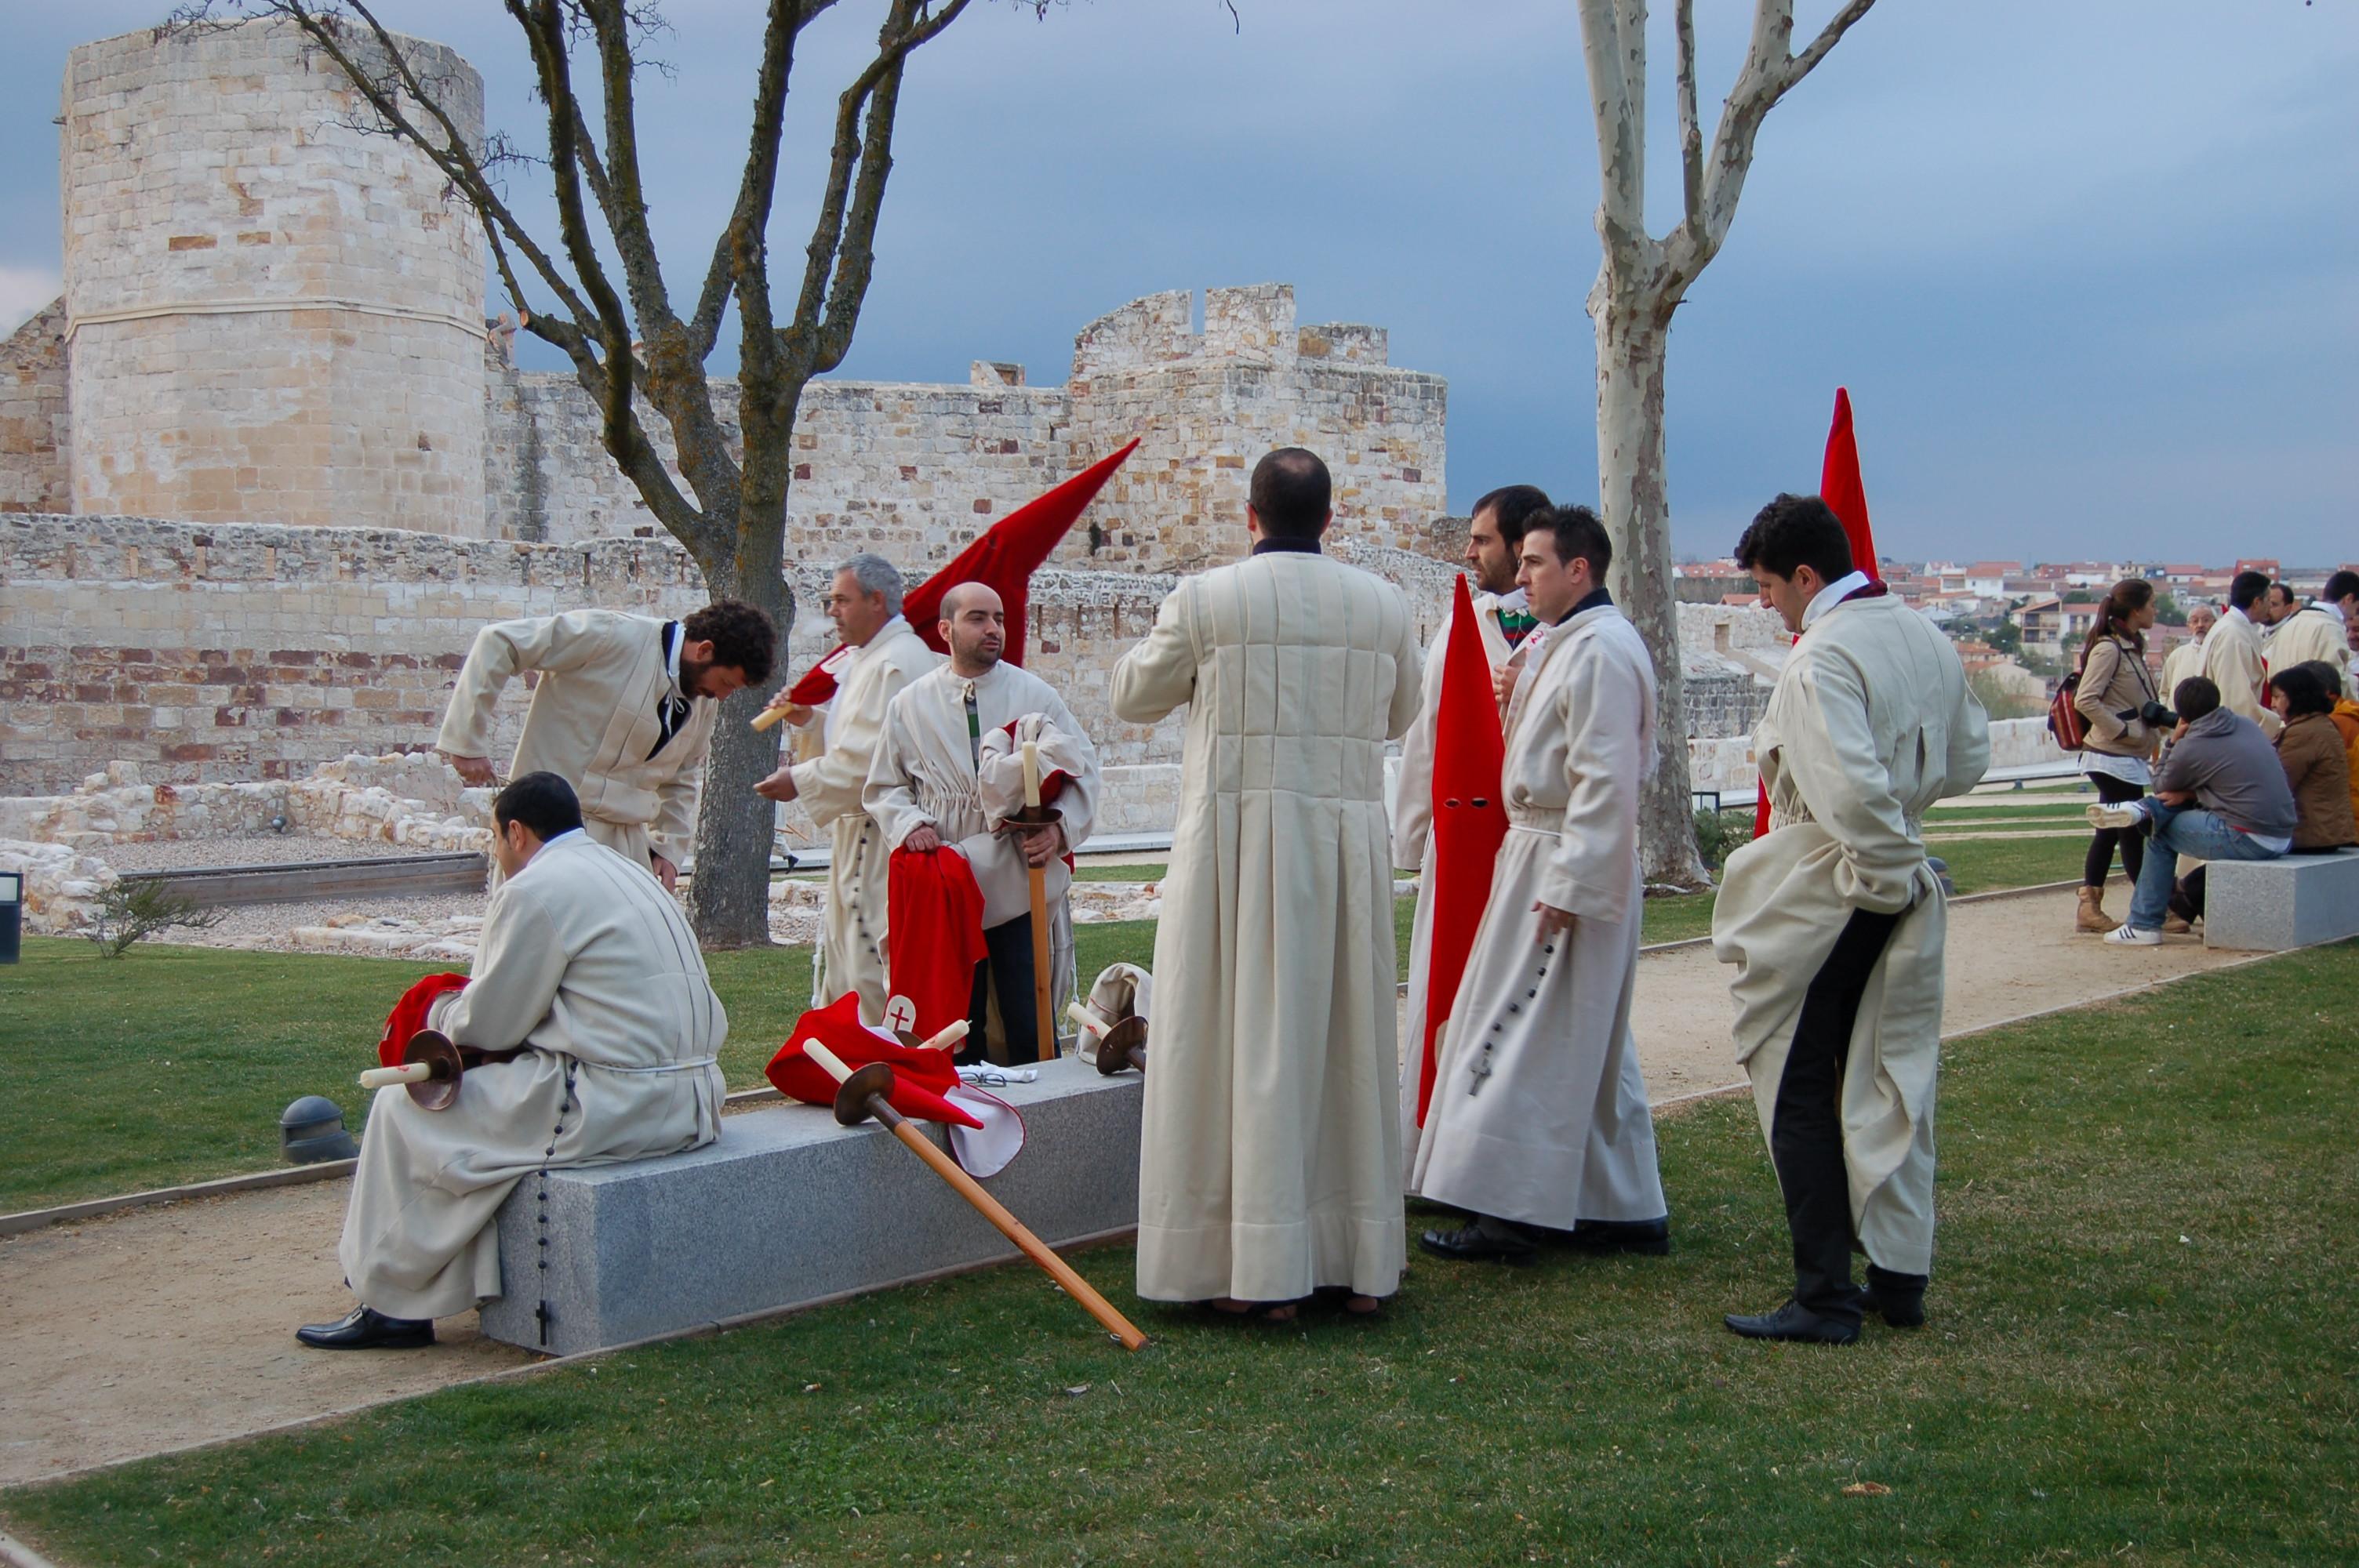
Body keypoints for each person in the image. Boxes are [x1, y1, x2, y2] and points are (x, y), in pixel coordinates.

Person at [1114, 446, 1422, 1320]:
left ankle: (1249, 1266)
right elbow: (1401, 711)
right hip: (1339, 841)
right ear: (1329, 519)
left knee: (1225, 1034)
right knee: (1342, 1038)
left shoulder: (1205, 598)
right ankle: (1352, 1262)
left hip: (1234, 843)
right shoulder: (1383, 602)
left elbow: (1135, 694)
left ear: (1250, 516)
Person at [300, 772, 728, 1349]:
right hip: (698, 1096)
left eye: (496, 839)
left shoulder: (536, 887)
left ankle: (391, 1302)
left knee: (403, 1109)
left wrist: (440, 1010)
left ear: (517, 833)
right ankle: (441, 1284)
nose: (498, 853)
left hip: (612, 1102)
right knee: (477, 1122)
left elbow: (492, 1023)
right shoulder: (632, 871)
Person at [1712, 494, 1990, 1345]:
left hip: (1838, 881)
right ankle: (1898, 1275)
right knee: (1891, 1070)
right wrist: (1904, 838)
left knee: (1794, 1074)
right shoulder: (1925, 636)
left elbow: (1845, 791)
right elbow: (1969, 756)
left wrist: (1879, 872)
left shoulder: (1819, 661)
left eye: (1767, 586)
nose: (1765, 603)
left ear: (1805, 575)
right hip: (1894, 869)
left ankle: (1823, 1293)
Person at [1410, 506, 1669, 1262]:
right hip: (1543, 850)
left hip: (1562, 860)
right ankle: (1619, 1205)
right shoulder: (1576, 644)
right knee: (1584, 1044)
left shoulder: (1600, 652)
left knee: (1518, 1031)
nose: (1518, 578)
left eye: (1534, 564)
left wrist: (1574, 878)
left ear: (1579, 570)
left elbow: (1607, 778)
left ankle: (1508, 1214)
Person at [864, 583, 1100, 1065]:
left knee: (1025, 994)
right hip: (948, 873)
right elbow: (884, 786)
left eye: (999, 618)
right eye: (978, 618)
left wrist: (1058, 831)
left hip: (1016, 868)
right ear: (946, 629)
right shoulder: (909, 704)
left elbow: (1084, 769)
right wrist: (909, 824)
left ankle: (1045, 1105)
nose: (994, 629)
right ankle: (962, 1104)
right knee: (956, 1004)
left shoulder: (1035, 694)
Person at [1394, 481, 1551, 1181]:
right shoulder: (1462, 624)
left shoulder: (1568, 632)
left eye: (1482, 539)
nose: (1470, 552)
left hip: (1533, 844)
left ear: (1521, 547)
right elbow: (1426, 736)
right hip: (1461, 845)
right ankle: (1436, 1144)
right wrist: (1412, 838)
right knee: (1446, 994)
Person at [437, 601, 776, 890]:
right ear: (704, 651)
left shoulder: (704, 700)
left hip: (626, 847)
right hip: (546, 833)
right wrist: (466, 740)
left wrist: (668, 849)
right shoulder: (610, 635)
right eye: (726, 683)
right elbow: (500, 642)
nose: (722, 696)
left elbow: (681, 776)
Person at [754, 556, 939, 1022]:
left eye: (842, 600)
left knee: (869, 963)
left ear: (876, 602)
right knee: (847, 960)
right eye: (830, 601)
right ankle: (848, 1065)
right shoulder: (870, 659)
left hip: (880, 837)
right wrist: (808, 721)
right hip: (857, 836)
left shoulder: (897, 662)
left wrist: (798, 780)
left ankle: (876, 1065)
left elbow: (870, 763)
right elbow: (853, 737)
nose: (833, 611)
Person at [2093, 676, 2295, 946]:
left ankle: (2144, 924)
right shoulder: (2246, 725)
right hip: (2281, 834)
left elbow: (2161, 783)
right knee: (2178, 802)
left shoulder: (2194, 745)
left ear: (2183, 714)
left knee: (2160, 832)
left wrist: (2173, 741)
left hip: (2249, 836)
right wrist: (2190, 792)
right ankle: (2140, 810)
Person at [2070, 579, 2165, 934]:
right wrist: (2123, 731)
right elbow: (2085, 699)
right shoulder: (2110, 649)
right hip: (2110, 754)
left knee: (2114, 829)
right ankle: (2149, 905)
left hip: (2126, 755)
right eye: (2152, 605)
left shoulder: (2130, 648)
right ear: (2136, 610)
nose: (2156, 611)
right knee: (2127, 828)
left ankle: (2094, 904)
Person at [2266, 665, 2358, 852]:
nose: (2272, 705)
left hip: (2312, 834)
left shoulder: (2304, 733)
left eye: (2277, 697)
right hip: (2327, 830)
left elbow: (2278, 784)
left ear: (2296, 696)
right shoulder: (2319, 725)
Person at [2201, 571, 2277, 738]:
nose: (2270, 607)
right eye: (2268, 601)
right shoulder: (2233, 635)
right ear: (2257, 602)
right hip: (2230, 734)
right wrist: (2277, 726)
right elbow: (2235, 700)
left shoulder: (2234, 628)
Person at [2263, 571, 2357, 695]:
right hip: (2313, 710)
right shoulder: (2330, 628)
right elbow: (2336, 684)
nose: (2353, 615)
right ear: (2348, 599)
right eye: (2357, 609)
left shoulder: (2290, 624)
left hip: (2283, 708)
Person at [2161, 602, 2215, 698]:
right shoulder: (2177, 656)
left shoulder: (2220, 653)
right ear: (2189, 626)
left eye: (2206, 620)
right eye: (2195, 621)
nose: (2200, 625)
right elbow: (2165, 693)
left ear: (2215, 623)